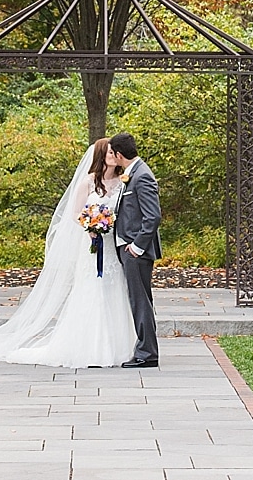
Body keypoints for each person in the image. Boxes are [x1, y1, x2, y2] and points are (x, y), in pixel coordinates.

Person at [0, 138, 137, 368]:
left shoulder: (123, 182)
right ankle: (91, 349)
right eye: (108, 153)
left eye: (114, 153)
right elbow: (75, 214)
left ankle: (118, 348)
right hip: (93, 246)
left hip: (114, 247)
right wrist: (91, 226)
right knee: (92, 291)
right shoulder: (87, 183)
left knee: (115, 290)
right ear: (100, 156)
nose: (112, 156)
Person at [110, 132, 162, 368]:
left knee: (140, 301)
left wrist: (136, 247)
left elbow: (153, 217)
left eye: (113, 154)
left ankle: (147, 354)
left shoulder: (142, 177)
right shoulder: (134, 174)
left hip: (136, 251)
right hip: (129, 248)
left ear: (120, 154)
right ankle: (146, 350)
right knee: (139, 300)